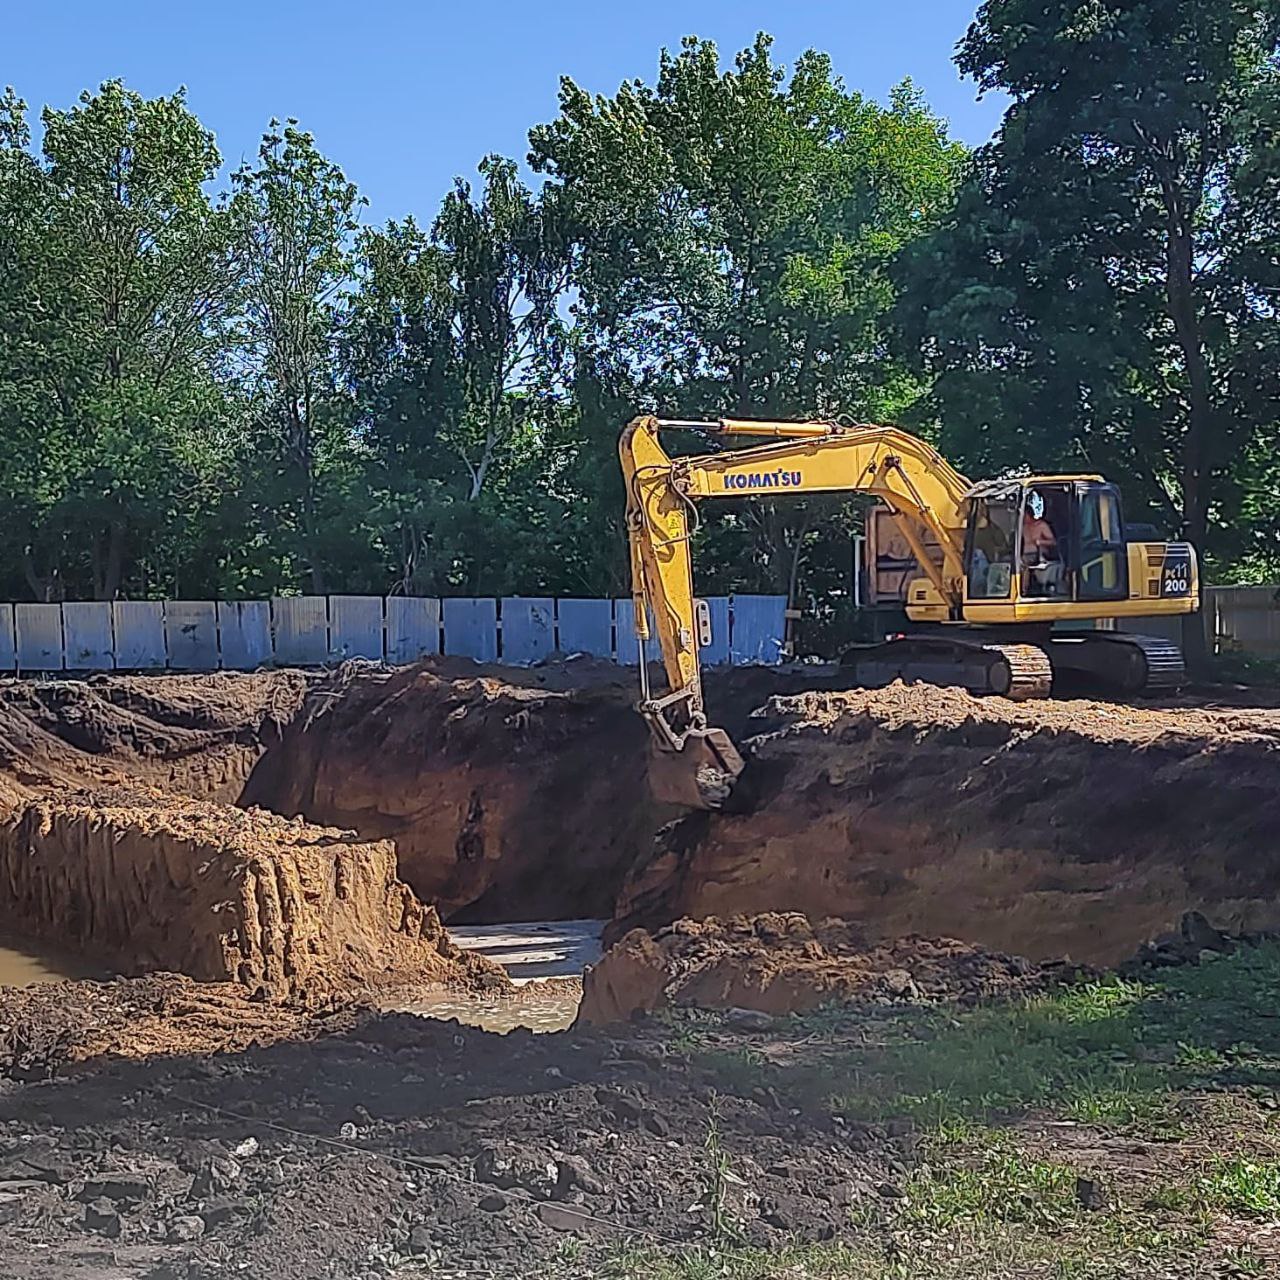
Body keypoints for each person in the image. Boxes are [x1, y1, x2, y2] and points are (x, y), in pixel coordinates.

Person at [1022, 491, 1063, 595]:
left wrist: (1040, 542)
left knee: (1022, 565)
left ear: (1030, 514)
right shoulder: (1023, 528)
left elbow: (1053, 542)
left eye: (1025, 515)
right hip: (1023, 554)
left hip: (1039, 555)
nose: (1023, 518)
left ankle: (1023, 590)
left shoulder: (1041, 526)